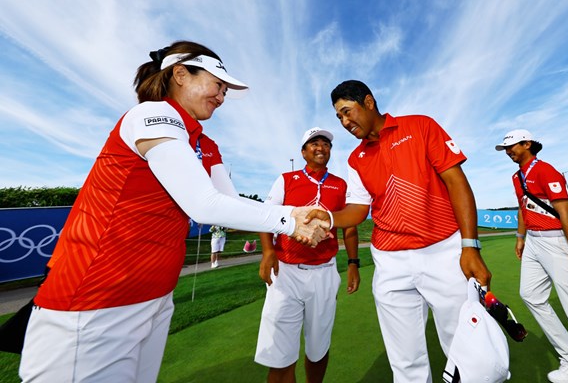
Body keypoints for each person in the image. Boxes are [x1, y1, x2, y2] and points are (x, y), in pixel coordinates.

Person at [18, 41, 328, 383]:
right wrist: (290, 220)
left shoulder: (205, 144)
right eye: (218, 85)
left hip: (155, 296)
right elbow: (203, 204)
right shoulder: (153, 114)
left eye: (225, 90)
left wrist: (292, 215)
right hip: (97, 298)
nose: (222, 97)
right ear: (180, 74)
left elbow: (229, 205)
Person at [306, 80, 492, 382]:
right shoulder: (356, 159)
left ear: (368, 102)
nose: (344, 122)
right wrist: (327, 217)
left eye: (347, 112)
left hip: (443, 251)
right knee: (405, 364)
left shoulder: (421, 126)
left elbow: (457, 182)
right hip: (390, 263)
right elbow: (358, 209)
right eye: (339, 117)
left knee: (466, 352)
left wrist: (470, 245)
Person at [254, 127, 360, 383]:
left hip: (324, 272)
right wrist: (268, 250)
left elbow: (350, 225)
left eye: (326, 143)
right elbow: (266, 217)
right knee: (280, 356)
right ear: (303, 152)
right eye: (314, 143)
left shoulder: (340, 183)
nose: (321, 147)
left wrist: (354, 263)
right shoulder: (286, 179)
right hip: (287, 273)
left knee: (318, 349)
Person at [495, 129, 568, 383]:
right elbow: (523, 208)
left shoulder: (545, 170)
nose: (508, 151)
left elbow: (566, 215)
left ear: (527, 144)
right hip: (534, 241)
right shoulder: (516, 176)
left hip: (558, 242)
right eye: (506, 148)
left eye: (512, 146)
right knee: (531, 295)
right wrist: (520, 238)